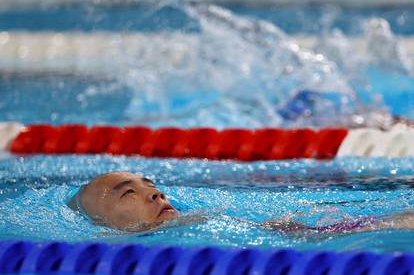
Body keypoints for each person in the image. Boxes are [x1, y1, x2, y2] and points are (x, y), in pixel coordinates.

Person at [69, 171, 414, 234]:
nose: (155, 194)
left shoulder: (194, 223)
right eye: (129, 193)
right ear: (104, 226)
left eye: (152, 185)